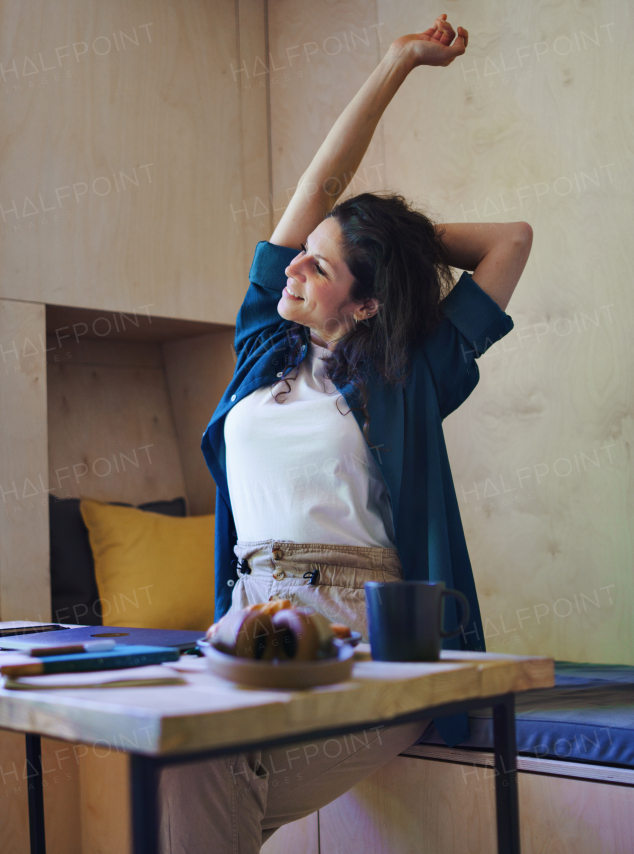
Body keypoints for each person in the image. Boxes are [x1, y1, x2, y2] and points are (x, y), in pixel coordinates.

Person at [163, 13, 533, 853]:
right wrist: (397, 64)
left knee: (198, 767)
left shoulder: (411, 375)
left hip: (365, 634)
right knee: (174, 751)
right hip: (248, 623)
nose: (293, 262)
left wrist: (395, 245)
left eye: (321, 265)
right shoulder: (264, 344)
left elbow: (511, 241)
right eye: (304, 254)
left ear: (367, 302)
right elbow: (321, 188)